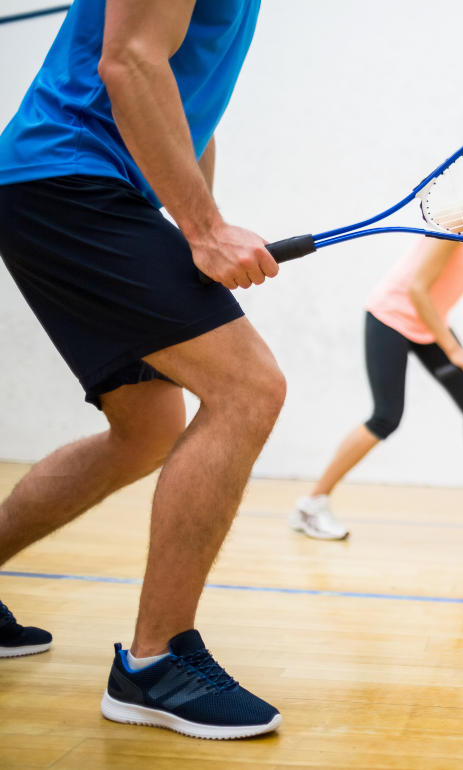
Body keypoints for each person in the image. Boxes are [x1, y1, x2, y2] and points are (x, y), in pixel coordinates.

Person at [0, 0, 285, 739]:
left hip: (69, 186)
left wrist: (203, 221)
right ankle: (154, 667)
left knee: (148, 428)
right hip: (66, 180)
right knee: (247, 389)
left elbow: (190, 110)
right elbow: (128, 60)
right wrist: (202, 229)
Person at [291, 148, 463, 543]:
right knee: (386, 417)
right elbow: (418, 289)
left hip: (429, 325)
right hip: (390, 316)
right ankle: (310, 506)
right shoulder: (459, 219)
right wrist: (454, 350)